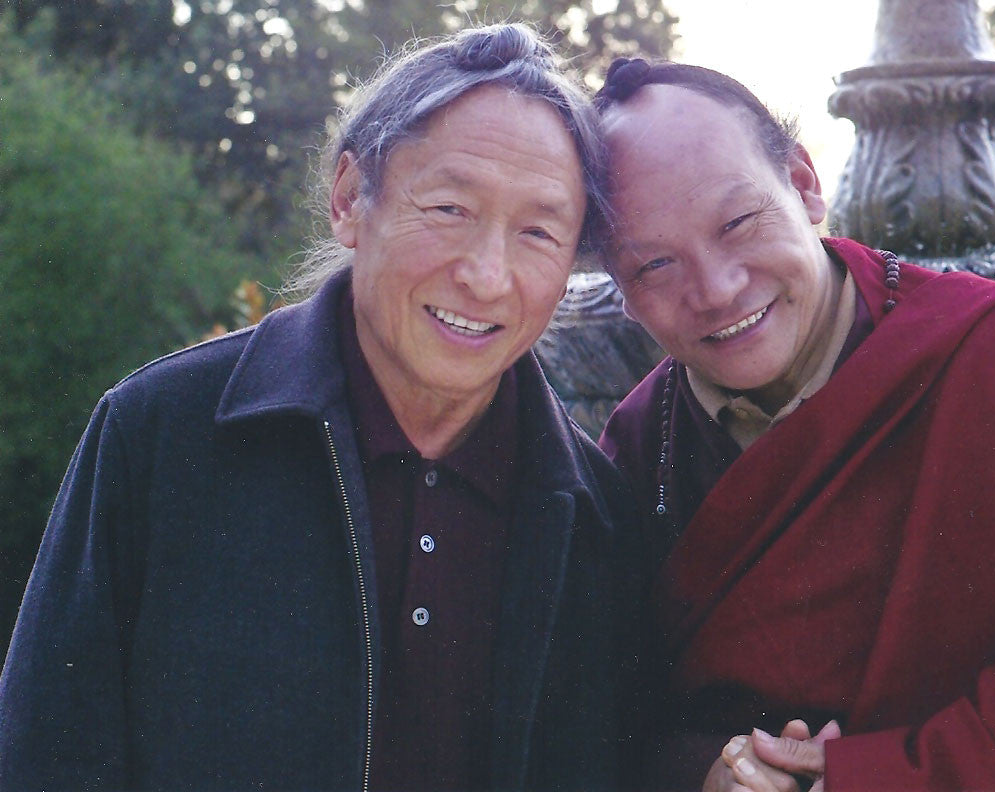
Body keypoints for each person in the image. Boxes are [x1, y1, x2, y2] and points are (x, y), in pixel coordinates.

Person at [0, 25, 645, 791]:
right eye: (448, 208)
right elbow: (44, 754)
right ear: (349, 201)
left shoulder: (595, 516)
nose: (486, 274)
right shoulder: (160, 433)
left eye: (539, 231)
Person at [592, 57, 995, 792]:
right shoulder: (638, 445)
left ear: (805, 183)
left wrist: (884, 777)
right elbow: (597, 716)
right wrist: (707, 773)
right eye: (654, 265)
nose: (717, 289)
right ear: (618, 289)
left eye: (738, 222)